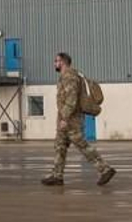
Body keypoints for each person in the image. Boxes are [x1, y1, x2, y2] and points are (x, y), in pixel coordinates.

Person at [40, 52, 115, 187]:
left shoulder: (70, 76)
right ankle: (57, 175)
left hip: (71, 120)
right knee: (59, 146)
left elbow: (71, 99)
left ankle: (105, 169)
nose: (54, 64)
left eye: (56, 61)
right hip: (66, 118)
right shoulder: (66, 77)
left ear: (62, 62)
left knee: (82, 146)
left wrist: (65, 118)